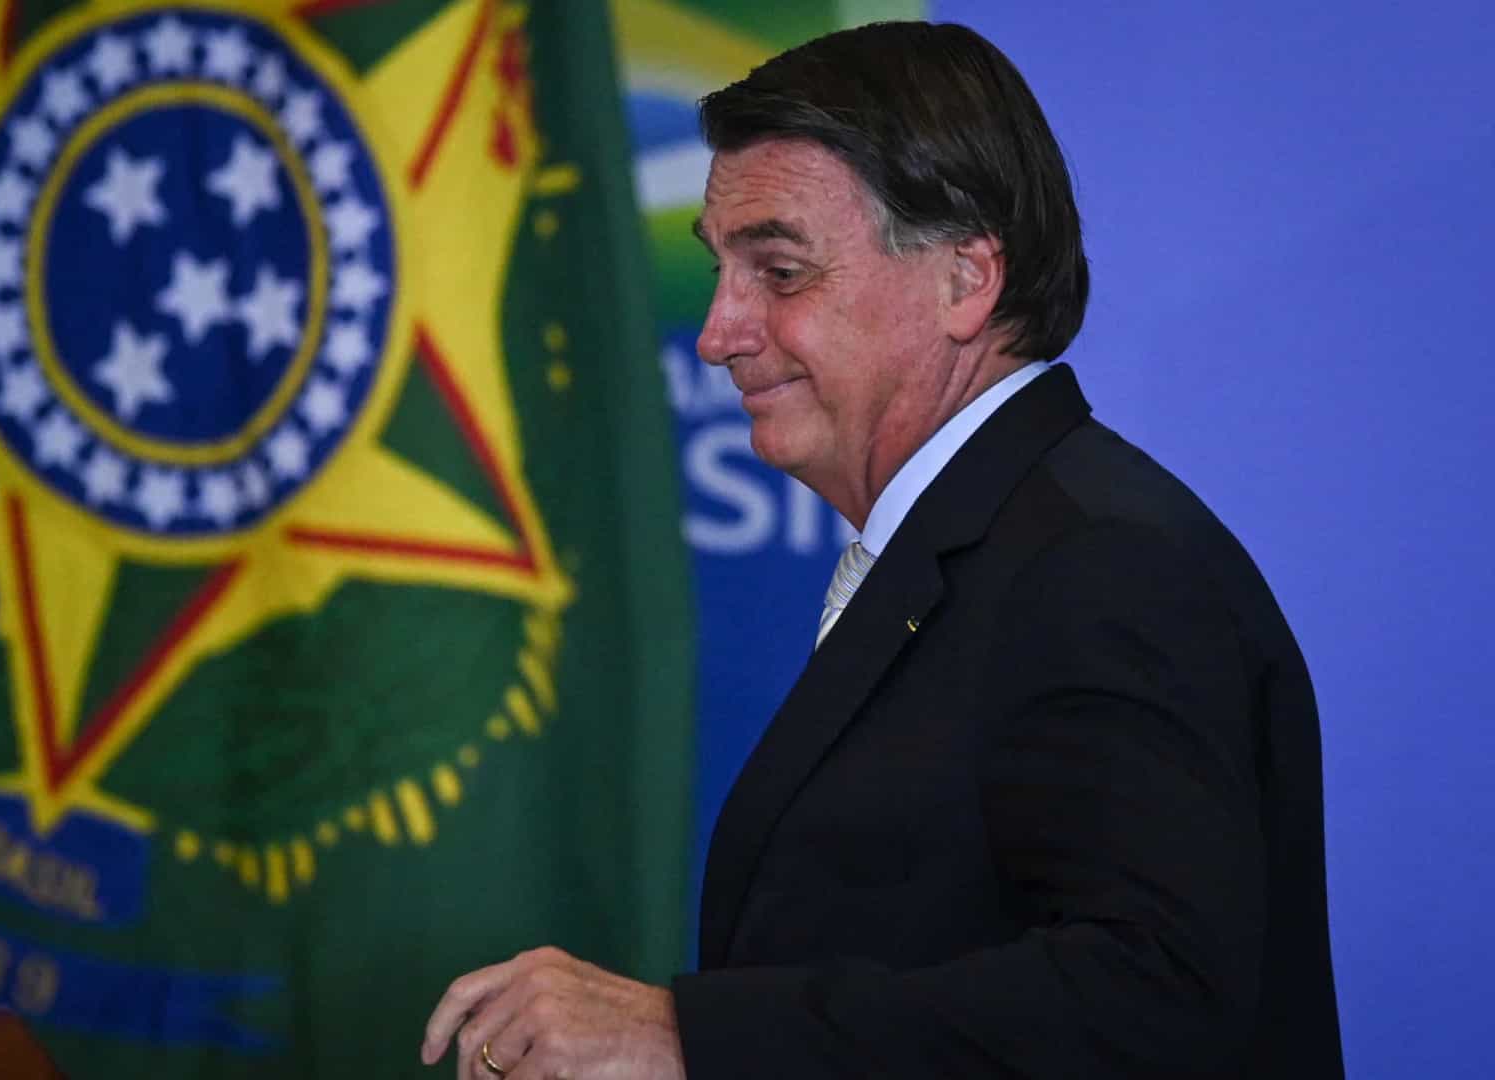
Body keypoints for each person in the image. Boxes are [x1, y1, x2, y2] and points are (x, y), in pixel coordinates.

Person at [422, 20, 1343, 1078]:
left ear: (965, 281)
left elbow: (1155, 1001)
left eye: (779, 271)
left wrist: (686, 1037)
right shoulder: (988, 541)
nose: (719, 332)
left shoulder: (1101, 565)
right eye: (720, 269)